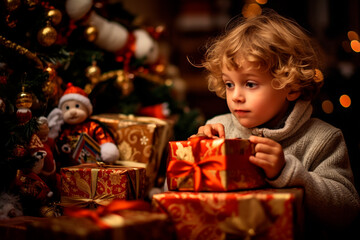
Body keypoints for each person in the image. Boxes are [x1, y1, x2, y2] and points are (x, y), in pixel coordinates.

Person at [196, 9, 360, 237]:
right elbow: (176, 200)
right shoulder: (218, 128)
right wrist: (197, 154)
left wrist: (290, 172)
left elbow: (346, 211)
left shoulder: (322, 139)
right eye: (229, 84)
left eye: (250, 84)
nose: (235, 96)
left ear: (290, 87)